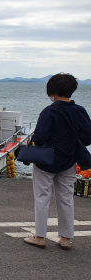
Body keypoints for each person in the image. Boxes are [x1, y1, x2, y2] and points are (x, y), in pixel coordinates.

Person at [24, 73, 91, 250]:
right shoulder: (80, 111)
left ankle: (39, 236)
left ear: (51, 90)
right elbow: (87, 137)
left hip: (46, 160)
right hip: (69, 160)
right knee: (66, 198)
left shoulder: (50, 111)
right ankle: (66, 238)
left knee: (42, 197)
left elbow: (39, 138)